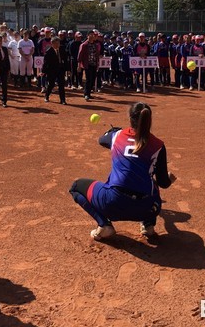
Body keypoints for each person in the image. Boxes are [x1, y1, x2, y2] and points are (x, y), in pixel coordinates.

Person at [69, 102, 177, 240]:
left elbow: (101, 140)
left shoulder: (117, 135)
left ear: (130, 119)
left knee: (76, 187)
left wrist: (114, 131)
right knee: (151, 182)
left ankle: (104, 225)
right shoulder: (158, 145)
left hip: (112, 204)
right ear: (149, 119)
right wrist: (170, 179)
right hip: (147, 209)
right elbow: (163, 183)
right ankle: (148, 225)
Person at [41, 36, 67, 104]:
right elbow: (45, 63)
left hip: (60, 70)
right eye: (56, 43)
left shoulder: (62, 49)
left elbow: (66, 60)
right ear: (52, 44)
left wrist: (68, 70)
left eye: (58, 43)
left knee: (61, 85)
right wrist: (43, 71)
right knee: (51, 84)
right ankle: (47, 96)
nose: (57, 45)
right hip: (52, 71)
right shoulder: (48, 52)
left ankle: (63, 100)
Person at [77, 31, 99, 101]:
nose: (92, 36)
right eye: (90, 35)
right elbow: (80, 56)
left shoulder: (95, 45)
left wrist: (97, 64)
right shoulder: (84, 45)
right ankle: (86, 94)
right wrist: (79, 65)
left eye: (93, 35)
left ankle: (89, 93)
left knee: (92, 79)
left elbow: (97, 55)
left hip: (94, 64)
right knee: (88, 79)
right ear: (87, 36)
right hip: (87, 64)